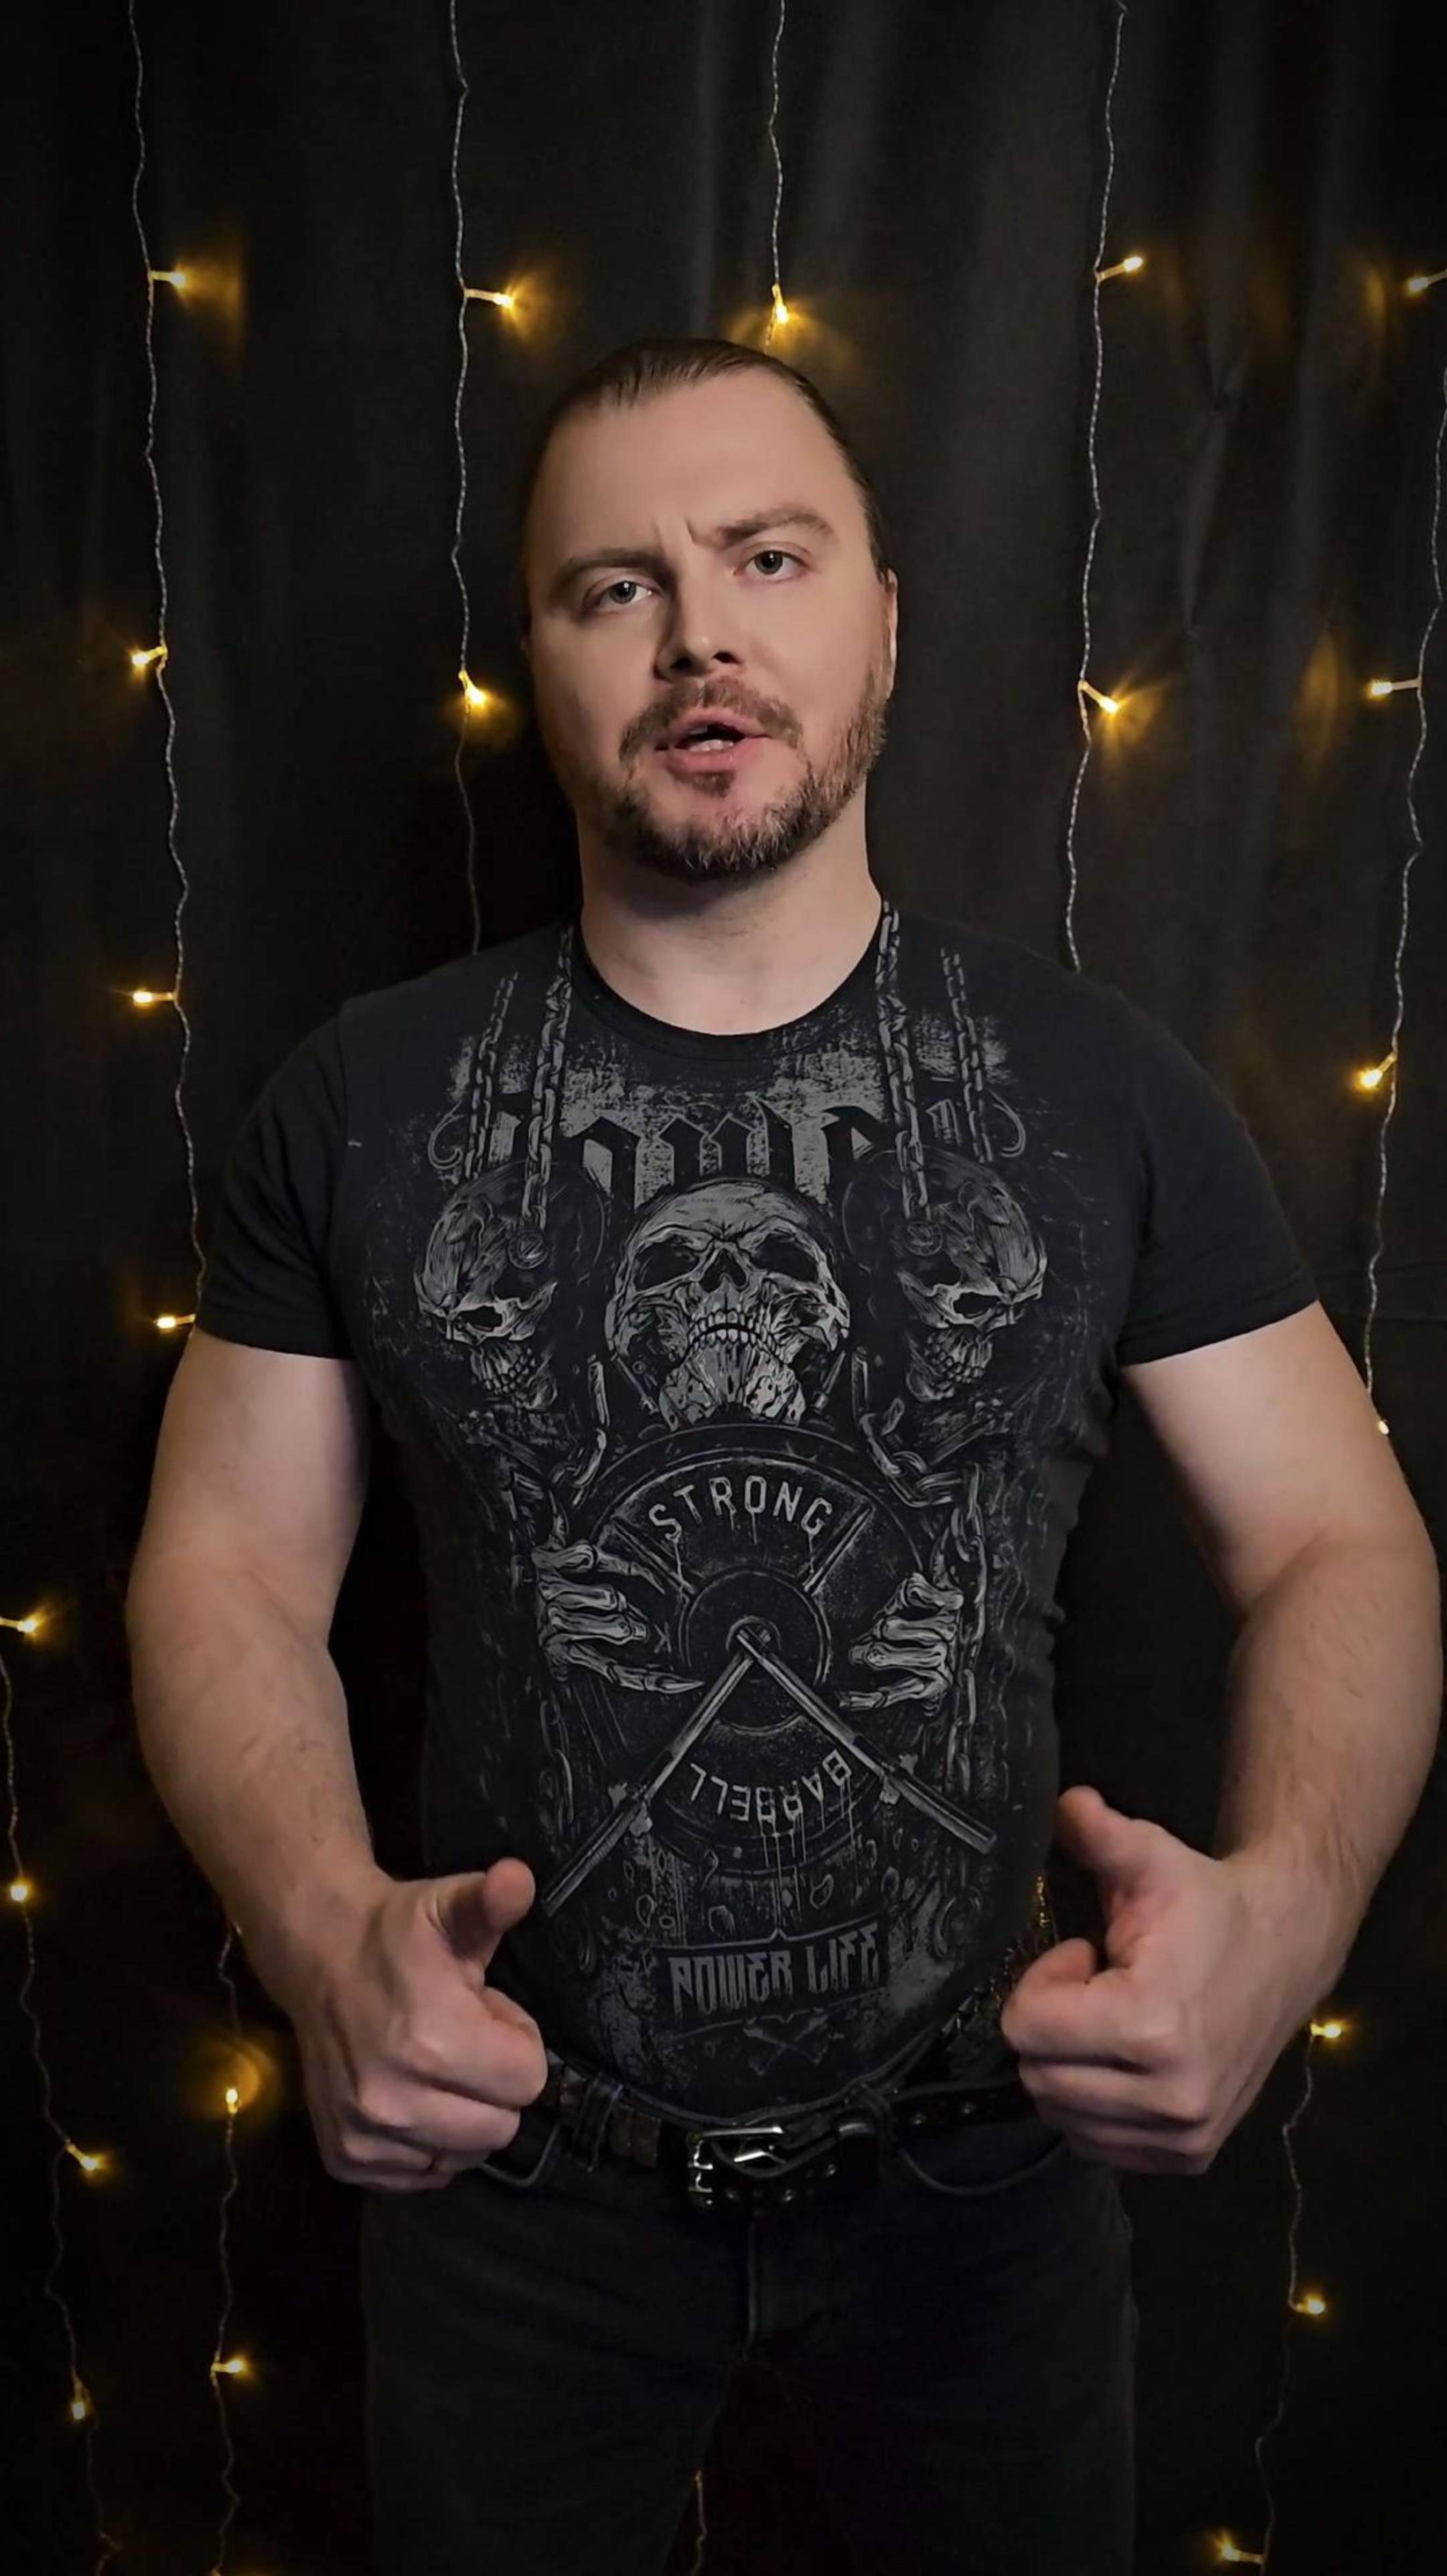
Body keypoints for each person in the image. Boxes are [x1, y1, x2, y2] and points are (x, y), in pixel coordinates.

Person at [125, 336, 1434, 2576]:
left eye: (766, 558)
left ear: (883, 623)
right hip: (517, 2185)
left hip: (984, 2181)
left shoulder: (1095, 1087)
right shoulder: (364, 1101)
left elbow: (1337, 1536)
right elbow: (225, 1565)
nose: (697, 637)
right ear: (537, 659)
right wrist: (327, 1937)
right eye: (613, 586)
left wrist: (1283, 1919)